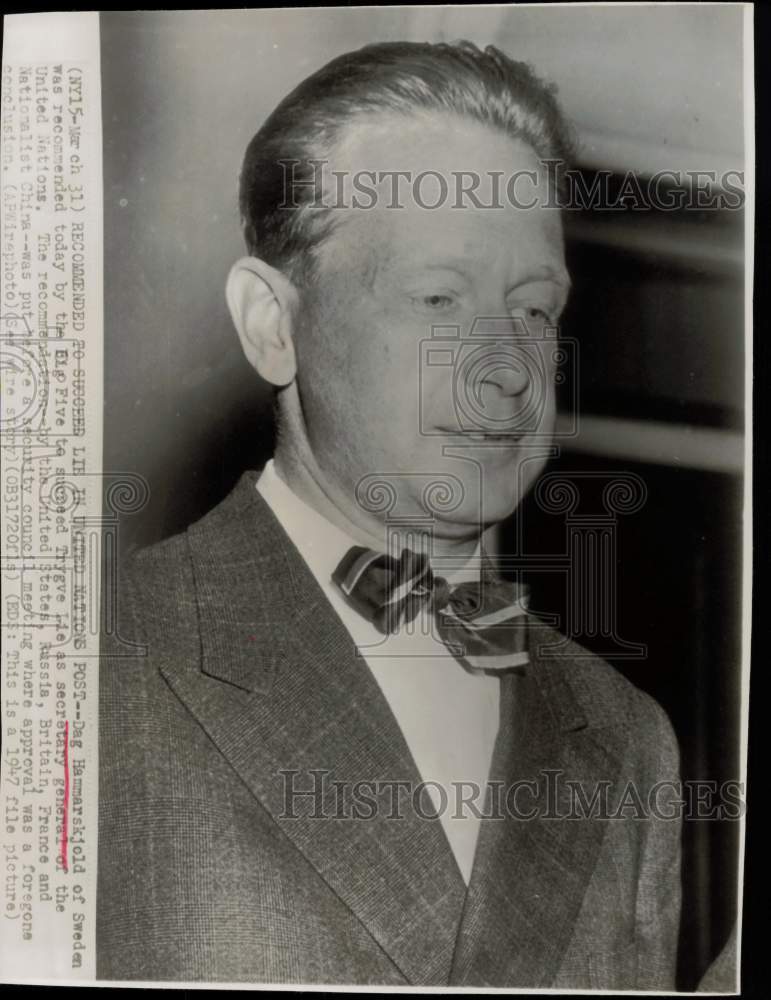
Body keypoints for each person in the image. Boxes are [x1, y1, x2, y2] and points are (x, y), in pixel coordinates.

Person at [97, 40, 681, 988]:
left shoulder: (625, 739)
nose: (503, 368)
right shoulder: (87, 659)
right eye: (438, 296)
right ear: (272, 324)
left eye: (534, 310)